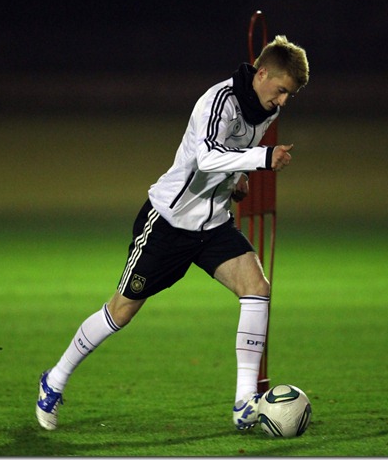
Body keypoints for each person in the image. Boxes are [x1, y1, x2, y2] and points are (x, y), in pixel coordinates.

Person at [36, 34, 309, 431]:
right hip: (168, 223)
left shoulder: (263, 109)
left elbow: (226, 159)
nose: (283, 101)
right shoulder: (220, 102)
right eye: (282, 90)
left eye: (291, 96)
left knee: (257, 287)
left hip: (213, 227)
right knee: (121, 311)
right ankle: (54, 380)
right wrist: (263, 158)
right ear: (262, 73)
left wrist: (236, 179)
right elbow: (207, 155)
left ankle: (244, 402)